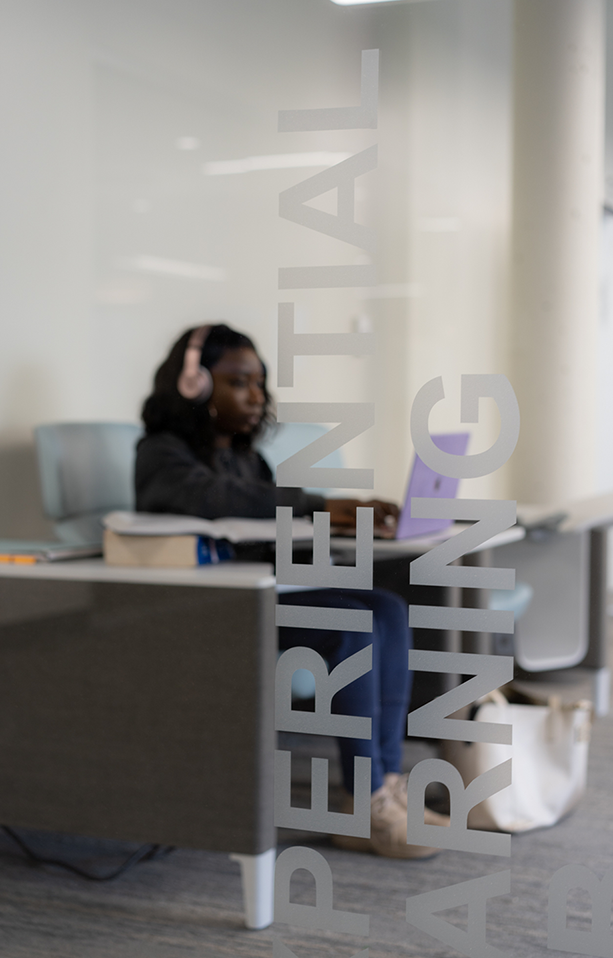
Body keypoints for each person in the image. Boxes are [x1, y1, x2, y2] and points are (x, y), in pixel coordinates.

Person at [136, 323, 449, 858]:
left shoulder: (248, 459)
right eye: (239, 382)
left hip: (260, 592)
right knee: (352, 626)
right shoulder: (160, 453)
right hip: (209, 606)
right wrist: (317, 506)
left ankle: (387, 785)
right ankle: (364, 805)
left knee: (388, 608)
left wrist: (342, 528)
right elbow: (212, 497)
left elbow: (264, 520)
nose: (256, 396)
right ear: (195, 385)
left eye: (260, 382)